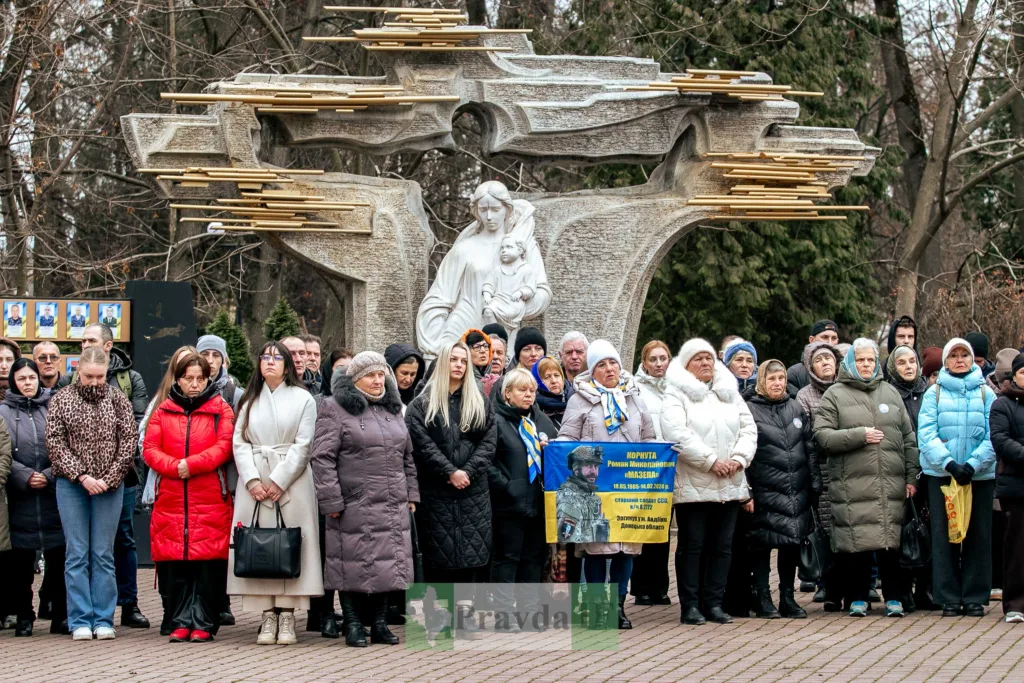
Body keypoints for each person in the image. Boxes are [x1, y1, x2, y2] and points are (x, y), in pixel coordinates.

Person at [311, 351, 420, 647]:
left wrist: (411, 493)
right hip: (353, 503)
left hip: (392, 501)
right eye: (370, 375)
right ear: (356, 379)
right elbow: (321, 458)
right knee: (350, 563)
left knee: (388, 563)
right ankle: (354, 623)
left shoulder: (393, 409)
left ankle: (381, 624)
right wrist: (331, 500)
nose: (377, 380)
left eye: (381, 374)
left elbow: (407, 456)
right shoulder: (333, 408)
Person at [814, 338, 919, 618]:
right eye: (860, 360)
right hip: (853, 486)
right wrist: (859, 436)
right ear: (850, 363)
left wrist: (911, 477)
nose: (865, 364)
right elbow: (822, 437)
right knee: (858, 543)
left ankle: (894, 597)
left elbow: (909, 439)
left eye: (870, 360)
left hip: (891, 484)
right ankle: (858, 597)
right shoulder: (834, 395)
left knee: (890, 543)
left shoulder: (891, 393)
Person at [556, 339, 656, 630]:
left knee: (626, 546)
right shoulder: (580, 400)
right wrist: (553, 447)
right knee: (598, 547)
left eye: (613, 362)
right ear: (593, 370)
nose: (609, 368)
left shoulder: (635, 397)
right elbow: (568, 438)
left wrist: (663, 454)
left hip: (628, 487)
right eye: (601, 364)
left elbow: (648, 438)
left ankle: (618, 606)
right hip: (594, 487)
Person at [229, 341, 323, 645]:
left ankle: (288, 616)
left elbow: (304, 444)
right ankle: (266, 616)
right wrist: (253, 480)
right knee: (258, 545)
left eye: (276, 358)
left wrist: (279, 480)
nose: (269, 362)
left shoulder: (303, 398)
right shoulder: (248, 399)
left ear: (286, 364)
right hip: (255, 481)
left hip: (291, 480)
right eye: (264, 357)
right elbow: (239, 443)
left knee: (289, 544)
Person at [660, 339, 757, 626]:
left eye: (708, 358)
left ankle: (714, 603)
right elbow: (677, 433)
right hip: (694, 483)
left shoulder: (729, 392)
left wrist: (739, 459)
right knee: (692, 546)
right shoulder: (676, 393)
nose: (705, 363)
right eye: (698, 359)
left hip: (730, 481)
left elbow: (749, 428)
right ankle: (690, 605)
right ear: (686, 364)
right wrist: (711, 461)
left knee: (722, 547)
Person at [46, 346, 138, 640]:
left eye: (100, 377)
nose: (95, 382)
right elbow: (55, 444)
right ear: (79, 372)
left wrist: (108, 479)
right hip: (72, 485)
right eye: (89, 376)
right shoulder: (62, 399)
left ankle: (103, 619)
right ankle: (80, 619)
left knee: (102, 553)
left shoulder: (118, 400)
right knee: (76, 553)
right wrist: (82, 476)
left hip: (110, 486)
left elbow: (128, 443)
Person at [143, 351, 234, 643]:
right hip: (171, 497)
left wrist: (190, 465)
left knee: (208, 564)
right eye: (188, 378)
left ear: (208, 378)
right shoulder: (163, 410)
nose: (194, 384)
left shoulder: (221, 410)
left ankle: (205, 620)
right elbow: (150, 448)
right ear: (178, 379)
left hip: (208, 496)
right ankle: (180, 619)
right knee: (176, 562)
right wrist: (174, 467)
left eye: (200, 378)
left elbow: (225, 446)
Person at [405, 341, 495, 636]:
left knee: (470, 556)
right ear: (443, 363)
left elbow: (489, 442)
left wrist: (466, 472)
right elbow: (421, 443)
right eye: (453, 359)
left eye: (463, 360)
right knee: (439, 556)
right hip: (437, 491)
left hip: (473, 491)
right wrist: (449, 472)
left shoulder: (479, 401)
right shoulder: (422, 403)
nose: (459, 365)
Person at [68, 323, 151, 629]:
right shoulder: (69, 384)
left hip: (119, 477)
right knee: (80, 549)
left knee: (123, 539)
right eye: (82, 340)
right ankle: (82, 613)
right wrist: (81, 474)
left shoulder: (130, 379)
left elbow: (135, 425)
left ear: (107, 345)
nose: (84, 344)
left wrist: (111, 472)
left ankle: (127, 604)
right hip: (79, 480)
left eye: (90, 339)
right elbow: (59, 437)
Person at [918, 337, 997, 617]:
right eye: (954, 355)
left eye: (965, 355)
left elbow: (993, 435)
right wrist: (949, 463)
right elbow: (926, 434)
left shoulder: (987, 393)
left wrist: (973, 464)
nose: (960, 359)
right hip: (942, 475)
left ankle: (975, 596)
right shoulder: (934, 394)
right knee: (944, 537)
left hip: (979, 477)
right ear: (946, 361)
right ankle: (948, 597)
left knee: (978, 536)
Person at [745, 360, 821, 619]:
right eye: (772, 379)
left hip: (795, 489)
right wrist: (748, 491)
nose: (777, 383)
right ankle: (763, 596)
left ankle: (787, 597)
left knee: (790, 544)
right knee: (762, 546)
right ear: (761, 382)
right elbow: (745, 454)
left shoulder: (796, 407)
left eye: (781, 378)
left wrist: (814, 483)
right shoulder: (750, 410)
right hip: (764, 489)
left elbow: (810, 447)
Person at [0, 359, 65, 636]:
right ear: (14, 381)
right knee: (21, 562)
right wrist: (25, 475)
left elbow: (67, 443)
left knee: (59, 557)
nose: (27, 382)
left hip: (53, 493)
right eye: (22, 378)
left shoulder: (55, 406)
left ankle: (60, 615)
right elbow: (3, 452)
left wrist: (49, 474)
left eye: (32, 377)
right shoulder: (2, 411)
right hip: (19, 495)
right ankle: (24, 615)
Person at [488, 367, 556, 629]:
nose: (528, 395)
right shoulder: (495, 421)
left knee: (533, 558)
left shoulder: (543, 422)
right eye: (521, 390)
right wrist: (507, 486)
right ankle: (504, 614)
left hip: (538, 502)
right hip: (508, 503)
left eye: (531, 391)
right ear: (507, 393)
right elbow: (487, 462)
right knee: (508, 557)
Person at [885, 345, 934, 611]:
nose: (908, 366)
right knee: (902, 534)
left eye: (912, 361)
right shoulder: (888, 395)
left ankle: (924, 589)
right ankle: (902, 590)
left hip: (929, 471)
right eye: (901, 362)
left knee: (926, 532)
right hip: (900, 473)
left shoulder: (928, 393)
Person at [630, 340, 671, 607]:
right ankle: (642, 586)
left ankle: (660, 586)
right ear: (644, 362)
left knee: (665, 529)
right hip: (646, 463)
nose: (658, 364)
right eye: (653, 359)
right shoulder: (635, 389)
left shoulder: (678, 388)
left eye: (663, 358)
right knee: (645, 527)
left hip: (671, 463)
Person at [990, 353, 1024, 623]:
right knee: (1016, 547)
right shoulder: (1002, 404)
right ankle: (1014, 603)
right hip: (1015, 485)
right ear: (1014, 375)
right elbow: (1000, 440)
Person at [787, 320, 839, 396]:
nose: (830, 342)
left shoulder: (846, 371)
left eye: (834, 338)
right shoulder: (795, 374)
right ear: (812, 340)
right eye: (825, 337)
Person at [198, 335, 243, 409]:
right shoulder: (185, 390)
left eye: (216, 355)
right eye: (205, 354)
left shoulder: (236, 395)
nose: (210, 361)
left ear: (223, 360)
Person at [531, 356, 570, 428]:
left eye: (557, 375)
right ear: (537, 382)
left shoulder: (575, 402)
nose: (554, 381)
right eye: (547, 377)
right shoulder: (533, 410)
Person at [385, 343, 425, 408]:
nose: (408, 379)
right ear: (392, 370)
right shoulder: (379, 396)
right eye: (404, 373)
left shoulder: (421, 397)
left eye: (413, 374)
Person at [280, 336, 321, 400]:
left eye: (302, 353)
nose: (298, 359)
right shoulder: (267, 388)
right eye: (292, 354)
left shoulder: (321, 389)